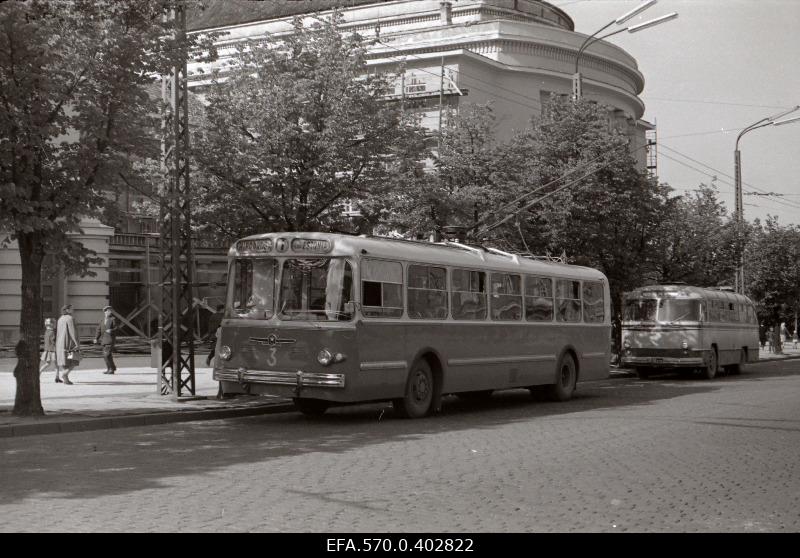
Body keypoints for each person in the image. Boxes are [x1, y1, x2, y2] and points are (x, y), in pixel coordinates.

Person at [55, 304, 79, 384]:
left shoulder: (60, 319)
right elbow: (73, 332)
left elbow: (58, 332)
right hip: (69, 344)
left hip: (60, 344)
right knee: (74, 360)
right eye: (72, 309)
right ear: (67, 310)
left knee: (65, 362)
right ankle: (65, 374)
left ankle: (66, 379)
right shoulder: (70, 318)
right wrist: (76, 343)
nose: (73, 310)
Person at [94, 305, 117, 374]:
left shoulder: (113, 319)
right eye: (108, 311)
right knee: (107, 355)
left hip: (110, 340)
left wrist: (111, 330)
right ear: (105, 312)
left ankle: (111, 369)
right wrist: (96, 338)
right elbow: (98, 330)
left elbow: (117, 328)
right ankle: (111, 368)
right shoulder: (102, 320)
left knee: (106, 355)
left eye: (110, 311)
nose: (110, 312)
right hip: (103, 340)